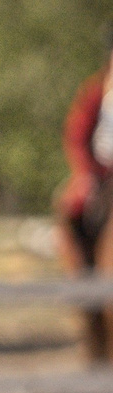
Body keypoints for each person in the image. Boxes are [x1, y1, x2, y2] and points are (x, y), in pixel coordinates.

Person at [59, 44, 113, 361]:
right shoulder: (97, 91)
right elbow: (78, 135)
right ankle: (84, 284)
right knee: (70, 210)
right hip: (103, 175)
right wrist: (89, 173)